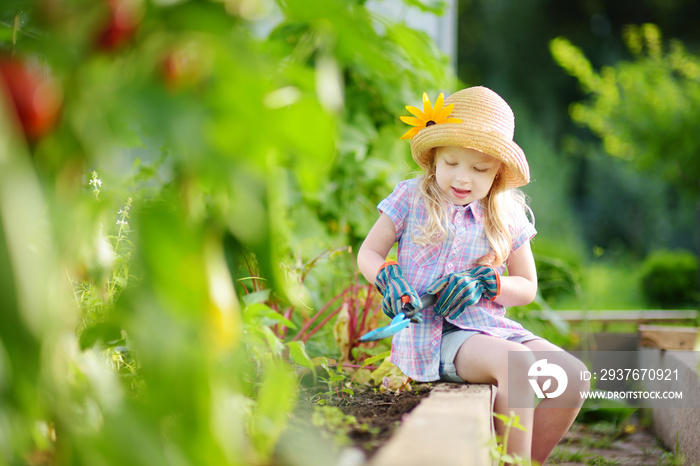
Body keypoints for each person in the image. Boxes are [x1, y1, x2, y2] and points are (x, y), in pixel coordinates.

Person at [357, 86, 589, 464]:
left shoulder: (507, 214)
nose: (462, 178)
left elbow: (526, 287)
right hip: (434, 335)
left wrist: (488, 283)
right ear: (434, 159)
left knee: (572, 376)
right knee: (518, 365)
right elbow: (368, 252)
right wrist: (386, 275)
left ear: (498, 171)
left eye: (479, 168)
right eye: (451, 163)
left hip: (490, 329)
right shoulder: (411, 197)